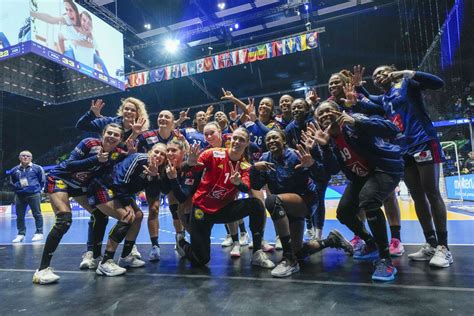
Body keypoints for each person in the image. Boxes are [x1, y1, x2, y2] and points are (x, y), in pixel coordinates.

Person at [354, 65, 452, 267]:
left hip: (423, 141)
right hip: (404, 149)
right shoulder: (384, 99)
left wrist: (409, 73)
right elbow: (369, 102)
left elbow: (438, 83)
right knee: (417, 196)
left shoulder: (407, 84)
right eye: (374, 76)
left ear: (393, 71)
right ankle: (431, 243)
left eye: (381, 72)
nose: (378, 76)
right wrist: (358, 88)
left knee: (432, 192)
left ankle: (444, 247)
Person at [309, 100, 403, 281]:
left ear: (339, 112)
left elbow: (392, 129)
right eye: (320, 115)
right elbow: (333, 169)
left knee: (368, 200)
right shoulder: (328, 139)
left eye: (329, 110)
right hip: (361, 177)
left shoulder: (355, 120)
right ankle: (370, 243)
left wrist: (356, 122)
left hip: (384, 169)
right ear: (318, 122)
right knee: (343, 212)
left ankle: (385, 259)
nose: (325, 115)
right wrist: (325, 147)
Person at [250, 130, 353, 277]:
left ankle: (289, 259)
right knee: (298, 252)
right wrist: (254, 169)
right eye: (268, 139)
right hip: (285, 205)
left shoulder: (295, 155)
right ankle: (331, 240)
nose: (271, 141)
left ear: (283, 140)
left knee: (272, 200)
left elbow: (322, 176)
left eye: (275, 137)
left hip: (305, 200)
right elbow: (256, 185)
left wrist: (311, 165)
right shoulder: (265, 158)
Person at [32, 123, 125, 284]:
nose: (112, 136)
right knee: (64, 220)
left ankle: (96, 257)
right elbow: (69, 164)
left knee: (100, 215)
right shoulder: (89, 143)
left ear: (120, 139)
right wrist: (95, 159)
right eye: (109, 133)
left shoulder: (116, 155)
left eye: (116, 135)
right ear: (102, 134)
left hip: (80, 187)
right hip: (60, 178)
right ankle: (42, 270)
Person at [176, 128, 275, 269]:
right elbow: (186, 168)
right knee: (201, 260)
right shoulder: (212, 153)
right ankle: (182, 243)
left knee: (257, 205)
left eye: (241, 139)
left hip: (223, 209)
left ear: (247, 143)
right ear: (230, 140)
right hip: (202, 209)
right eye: (235, 138)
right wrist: (189, 163)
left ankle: (257, 253)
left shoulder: (244, 166)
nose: (237, 142)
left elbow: (246, 187)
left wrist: (238, 183)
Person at [87, 143, 168, 276]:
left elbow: (153, 194)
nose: (158, 156)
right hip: (102, 187)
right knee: (127, 216)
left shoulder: (157, 170)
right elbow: (118, 180)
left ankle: (125, 257)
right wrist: (126, 204)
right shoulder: (138, 158)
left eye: (162, 155)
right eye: (156, 152)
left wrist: (154, 176)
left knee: (139, 216)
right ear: (150, 152)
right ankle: (105, 262)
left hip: (118, 191)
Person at [9, 151, 45, 243]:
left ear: (31, 158)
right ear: (19, 158)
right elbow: (12, 182)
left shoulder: (37, 168)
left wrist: (38, 190)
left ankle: (39, 233)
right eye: (23, 156)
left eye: (27, 156)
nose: (25, 157)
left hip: (34, 194)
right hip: (20, 195)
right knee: (19, 216)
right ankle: (21, 234)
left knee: (37, 214)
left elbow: (42, 180)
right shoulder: (14, 170)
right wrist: (18, 189)